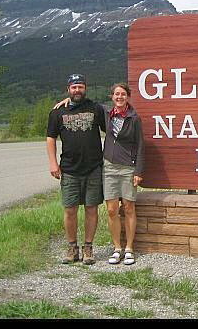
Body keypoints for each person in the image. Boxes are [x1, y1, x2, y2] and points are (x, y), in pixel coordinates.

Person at [55, 82, 145, 266]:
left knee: (128, 207)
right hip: (109, 167)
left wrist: (139, 170)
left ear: (128, 96)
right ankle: (116, 248)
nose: (119, 97)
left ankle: (129, 249)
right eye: (116, 94)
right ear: (111, 97)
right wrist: (68, 100)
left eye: (123, 94)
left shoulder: (134, 118)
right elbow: (82, 102)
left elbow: (141, 145)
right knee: (111, 210)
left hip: (128, 167)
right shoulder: (105, 113)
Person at [47, 74, 107, 265]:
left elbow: (112, 127)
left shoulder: (95, 108)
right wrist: (53, 163)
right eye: (74, 88)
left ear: (85, 88)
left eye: (80, 87)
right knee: (70, 209)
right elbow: (50, 139)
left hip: (93, 167)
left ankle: (88, 247)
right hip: (69, 168)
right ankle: (72, 247)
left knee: (91, 208)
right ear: (68, 89)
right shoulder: (57, 112)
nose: (77, 90)